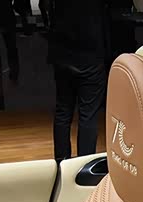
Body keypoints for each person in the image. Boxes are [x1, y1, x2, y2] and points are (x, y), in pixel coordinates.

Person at [42, 0, 107, 161]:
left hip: (63, 50)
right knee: (88, 115)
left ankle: (61, 164)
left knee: (63, 111)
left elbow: (46, 5)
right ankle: (83, 166)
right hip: (91, 51)